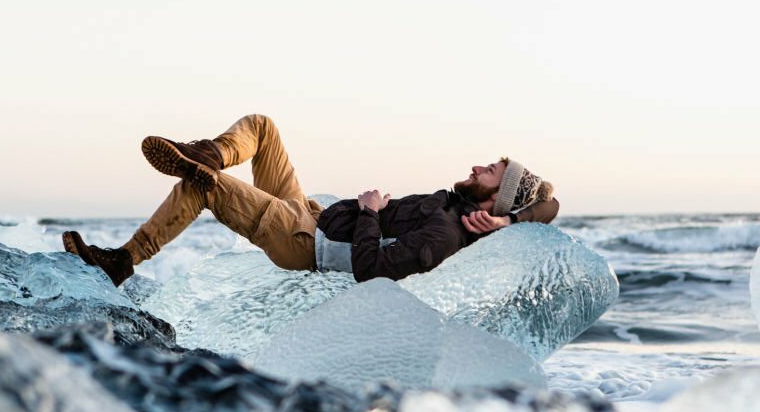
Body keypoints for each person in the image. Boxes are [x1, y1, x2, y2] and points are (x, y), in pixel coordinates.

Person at [62, 114, 559, 286]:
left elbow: (373, 269)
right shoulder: (457, 209)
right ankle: (209, 152)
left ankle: (122, 261)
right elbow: (551, 203)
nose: (477, 167)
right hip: (315, 215)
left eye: (489, 171)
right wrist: (515, 222)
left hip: (303, 241)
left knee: (200, 184)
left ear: (496, 195)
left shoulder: (446, 234)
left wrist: (368, 211)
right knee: (262, 127)